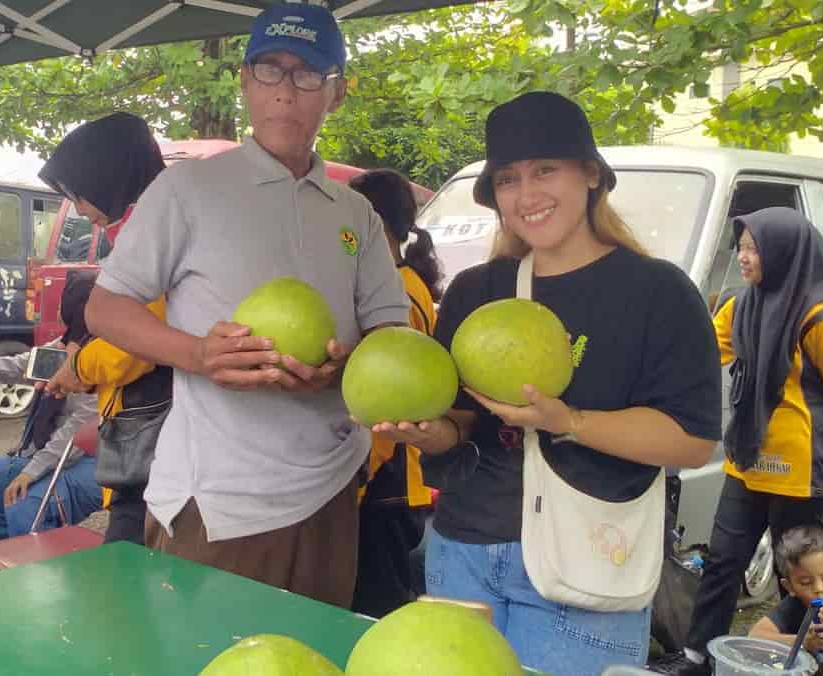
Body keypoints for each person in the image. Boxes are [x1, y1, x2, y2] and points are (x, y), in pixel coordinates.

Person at [371, 91, 722, 673]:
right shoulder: (476, 290)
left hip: (585, 566)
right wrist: (427, 433)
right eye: (508, 179)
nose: (527, 194)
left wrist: (569, 422)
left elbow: (690, 439)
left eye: (545, 170)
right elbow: (460, 423)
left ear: (590, 175)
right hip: (463, 554)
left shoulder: (657, 293)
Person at [80, 3, 409, 609]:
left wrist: (344, 368)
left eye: (309, 74)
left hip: (330, 488)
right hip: (220, 501)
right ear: (244, 81)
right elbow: (106, 307)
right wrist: (200, 354)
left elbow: (391, 329)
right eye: (270, 70)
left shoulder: (354, 212)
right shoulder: (188, 189)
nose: (287, 91)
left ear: (335, 94)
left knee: (309, 658)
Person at [652, 207, 823, 676]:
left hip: (800, 471)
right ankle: (696, 655)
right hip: (748, 462)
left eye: (754, 249)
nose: (744, 257)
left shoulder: (817, 318)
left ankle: (806, 657)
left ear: (783, 254)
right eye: (742, 247)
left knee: (799, 576)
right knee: (724, 562)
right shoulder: (740, 306)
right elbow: (703, 351)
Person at [37, 112, 167, 545]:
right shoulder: (148, 224)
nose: (78, 209)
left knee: (132, 586)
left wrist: (80, 367)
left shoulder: (157, 233)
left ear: (107, 178)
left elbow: (135, 341)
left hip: (153, 454)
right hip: (142, 447)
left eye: (79, 194)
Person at [0, 273, 105, 578]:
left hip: (92, 462)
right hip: (42, 452)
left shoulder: (105, 356)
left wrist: (30, 470)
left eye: (64, 302)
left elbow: (77, 433)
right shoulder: (64, 345)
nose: (56, 311)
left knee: (23, 504)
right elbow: (20, 365)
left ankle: (37, 600)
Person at [348, 169, 441, 617]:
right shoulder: (405, 281)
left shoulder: (396, 291)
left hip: (389, 482)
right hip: (397, 483)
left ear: (374, 223)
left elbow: (389, 399)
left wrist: (361, 475)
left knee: (375, 612)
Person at [748, 526, 823, 676]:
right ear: (789, 587)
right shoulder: (793, 605)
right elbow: (755, 637)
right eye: (806, 582)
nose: (819, 588)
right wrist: (803, 642)